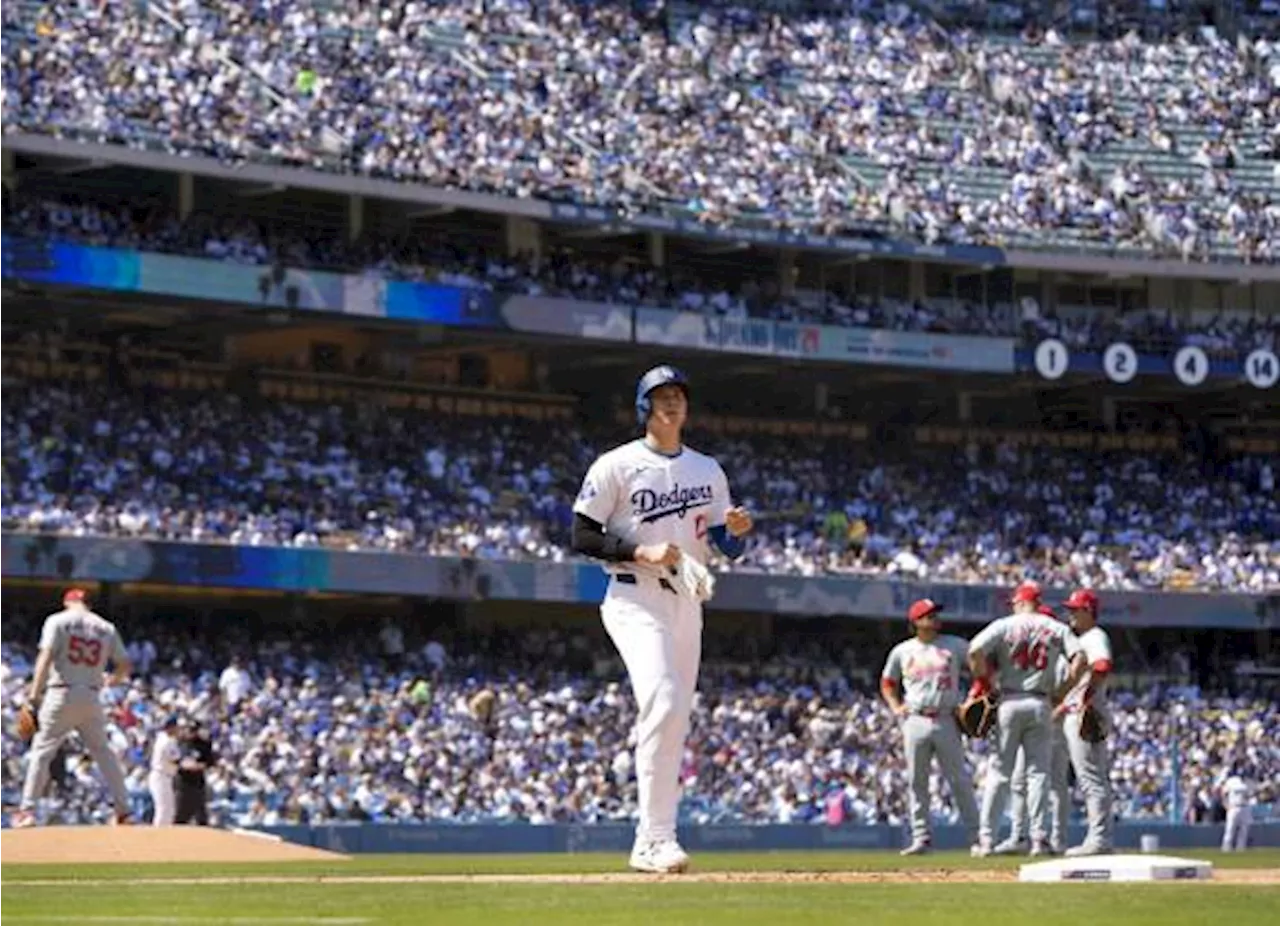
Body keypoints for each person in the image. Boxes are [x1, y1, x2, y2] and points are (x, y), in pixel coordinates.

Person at [570, 365, 753, 874]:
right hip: (633, 597)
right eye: (661, 396)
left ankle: (657, 837)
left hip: (686, 602)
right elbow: (582, 536)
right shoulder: (617, 464)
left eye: (678, 395)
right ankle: (653, 839)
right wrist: (638, 551)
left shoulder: (707, 469)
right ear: (644, 407)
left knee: (674, 718)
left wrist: (736, 531)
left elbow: (725, 545)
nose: (672, 403)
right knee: (665, 700)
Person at [968, 581, 1084, 857]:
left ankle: (986, 840)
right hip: (1041, 701)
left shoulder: (1005, 624)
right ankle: (1038, 838)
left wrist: (984, 680)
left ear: (1019, 602)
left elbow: (974, 650)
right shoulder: (1055, 627)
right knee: (1038, 774)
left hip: (1009, 698)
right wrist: (1062, 691)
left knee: (999, 772)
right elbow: (1080, 658)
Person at [15, 588, 132, 827]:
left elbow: (45, 659)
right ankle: (124, 811)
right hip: (90, 695)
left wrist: (33, 698)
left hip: (61, 691)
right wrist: (112, 680)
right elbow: (124, 665)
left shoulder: (58, 620)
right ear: (87, 604)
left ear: (68, 602)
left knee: (42, 751)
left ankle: (27, 810)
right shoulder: (106, 627)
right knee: (104, 753)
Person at [880, 598, 980, 856]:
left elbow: (980, 668)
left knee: (959, 780)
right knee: (917, 782)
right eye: (928, 615)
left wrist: (973, 698)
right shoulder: (902, 651)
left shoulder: (955, 645)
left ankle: (978, 836)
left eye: (936, 614)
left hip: (946, 717)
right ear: (916, 621)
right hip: (915, 718)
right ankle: (921, 838)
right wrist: (895, 706)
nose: (935, 619)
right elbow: (888, 682)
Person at [994, 603, 1073, 855]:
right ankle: (1022, 835)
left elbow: (1070, 694)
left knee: (1053, 785)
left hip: (1055, 727)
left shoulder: (1060, 660)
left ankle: (1055, 838)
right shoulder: (1052, 657)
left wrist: (1054, 711)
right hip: (1042, 720)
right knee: (1023, 781)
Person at [1056, 588, 1115, 856]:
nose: (1070, 613)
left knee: (1091, 779)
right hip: (1082, 712)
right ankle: (1102, 838)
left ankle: (1099, 839)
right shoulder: (1087, 637)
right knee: (1095, 778)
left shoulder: (1094, 636)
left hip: (1085, 714)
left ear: (1088, 611)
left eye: (1075, 609)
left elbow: (1102, 666)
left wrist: (1087, 696)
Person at [175, 718, 215, 826]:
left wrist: (199, 766)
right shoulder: (179, 743)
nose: (191, 732)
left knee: (201, 815)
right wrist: (183, 764)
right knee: (180, 814)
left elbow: (210, 761)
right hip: (183, 782)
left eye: (194, 730)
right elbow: (175, 760)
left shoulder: (203, 744)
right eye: (189, 729)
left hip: (197, 782)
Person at [149, 714, 183, 826]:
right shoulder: (168, 741)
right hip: (161, 776)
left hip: (163, 776)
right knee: (164, 810)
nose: (178, 729)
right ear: (171, 727)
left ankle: (162, 838)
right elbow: (177, 760)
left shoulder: (162, 738)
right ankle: (158, 838)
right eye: (176, 726)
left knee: (167, 810)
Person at [1220, 765, 1253, 852]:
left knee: (1244, 831)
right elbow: (1223, 793)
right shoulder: (1231, 782)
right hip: (1233, 807)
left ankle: (1240, 849)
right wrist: (1226, 805)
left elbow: (1250, 795)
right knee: (1230, 829)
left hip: (1245, 807)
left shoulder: (1248, 783)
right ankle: (1226, 849)